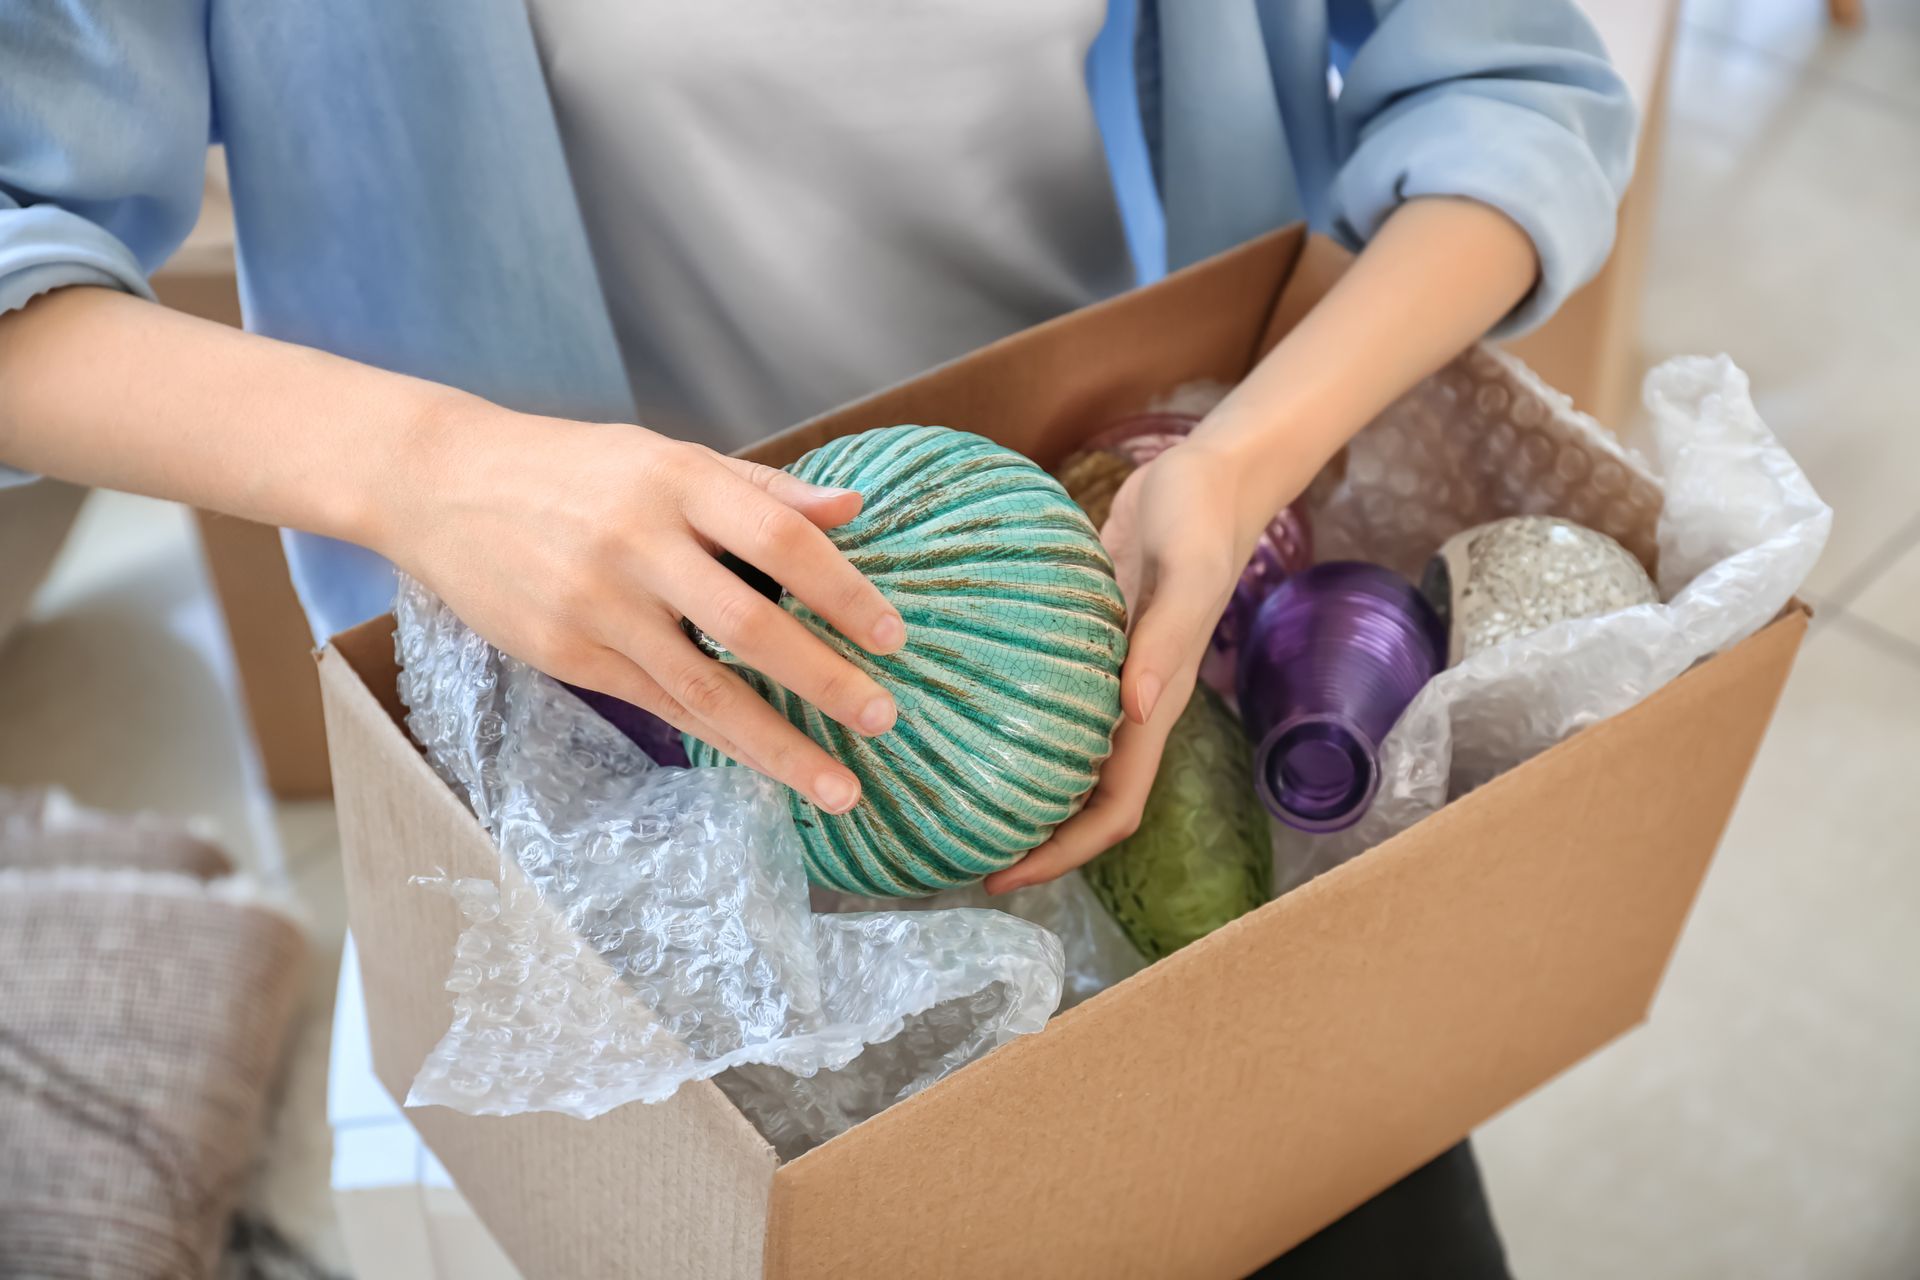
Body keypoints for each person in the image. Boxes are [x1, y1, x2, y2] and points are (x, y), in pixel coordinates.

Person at [0, 3, 1629, 1271]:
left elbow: (1512, 84)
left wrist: (1237, 463)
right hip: (599, 715)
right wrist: (432, 470)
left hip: (1139, 573)